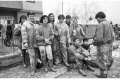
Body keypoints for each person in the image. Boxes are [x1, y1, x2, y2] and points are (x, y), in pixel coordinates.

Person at [93, 11, 114, 78]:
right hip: (108, 45)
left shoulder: (101, 24)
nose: (97, 20)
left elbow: (99, 38)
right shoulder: (109, 24)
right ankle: (104, 75)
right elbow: (112, 36)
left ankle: (102, 76)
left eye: (97, 19)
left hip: (102, 46)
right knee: (105, 60)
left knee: (101, 61)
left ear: (99, 17)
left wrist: (94, 41)